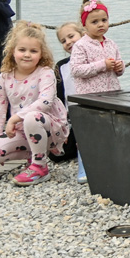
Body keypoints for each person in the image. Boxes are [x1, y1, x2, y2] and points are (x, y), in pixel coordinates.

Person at [0, 21, 70, 186]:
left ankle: (40, 166)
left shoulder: (45, 73)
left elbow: (45, 102)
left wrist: (14, 118)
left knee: (31, 118)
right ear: (12, 51)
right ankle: (32, 155)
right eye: (22, 50)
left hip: (49, 128)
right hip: (22, 132)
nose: (27, 54)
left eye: (33, 51)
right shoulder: (4, 77)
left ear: (41, 54)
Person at [70, 0, 124, 184]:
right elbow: (76, 70)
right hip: (90, 96)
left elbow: (118, 68)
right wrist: (102, 65)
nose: (100, 24)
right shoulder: (80, 45)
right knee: (89, 133)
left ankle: (111, 163)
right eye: (94, 22)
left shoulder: (111, 43)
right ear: (84, 25)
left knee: (110, 129)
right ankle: (85, 166)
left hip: (112, 94)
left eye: (104, 20)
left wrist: (119, 67)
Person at [50, 22, 83, 163]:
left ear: (83, 34)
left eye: (71, 36)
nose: (68, 42)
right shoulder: (61, 66)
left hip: (91, 115)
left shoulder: (96, 60)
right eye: (63, 41)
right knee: (57, 156)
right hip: (71, 118)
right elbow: (58, 99)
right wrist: (61, 126)